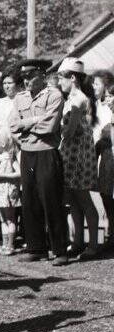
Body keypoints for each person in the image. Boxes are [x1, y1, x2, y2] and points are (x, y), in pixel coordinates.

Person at [9, 58, 67, 266]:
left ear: (42, 74)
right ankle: (36, 248)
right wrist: (34, 121)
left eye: (30, 76)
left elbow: (49, 127)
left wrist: (26, 125)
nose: (26, 81)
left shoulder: (54, 95)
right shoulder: (20, 98)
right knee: (30, 202)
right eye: (23, 77)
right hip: (27, 152)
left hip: (47, 152)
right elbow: (13, 125)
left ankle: (60, 249)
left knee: (51, 200)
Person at [56, 57, 100, 259]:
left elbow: (70, 131)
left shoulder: (79, 99)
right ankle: (78, 242)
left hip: (78, 155)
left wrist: (55, 128)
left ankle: (92, 244)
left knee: (83, 198)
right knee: (73, 200)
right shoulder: (71, 99)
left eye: (61, 79)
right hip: (71, 153)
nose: (59, 83)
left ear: (72, 78)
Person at [91, 70, 114, 248]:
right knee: (104, 194)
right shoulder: (95, 106)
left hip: (110, 152)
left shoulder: (110, 105)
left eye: (97, 84)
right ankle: (110, 233)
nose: (93, 87)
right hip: (101, 154)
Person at [0, 134, 20, 255]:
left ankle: (10, 245)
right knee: (2, 219)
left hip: (7, 189)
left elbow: (19, 173)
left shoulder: (9, 157)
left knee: (10, 218)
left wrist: (4, 176)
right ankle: (4, 243)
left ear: (2, 144)